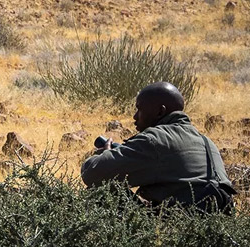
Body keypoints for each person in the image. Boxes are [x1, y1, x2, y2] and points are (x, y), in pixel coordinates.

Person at [81, 81, 235, 210]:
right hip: (216, 226)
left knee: (102, 191)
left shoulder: (155, 139)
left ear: (160, 112)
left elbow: (92, 174)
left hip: (179, 229)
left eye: (139, 109)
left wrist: (104, 154)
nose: (135, 117)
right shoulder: (207, 141)